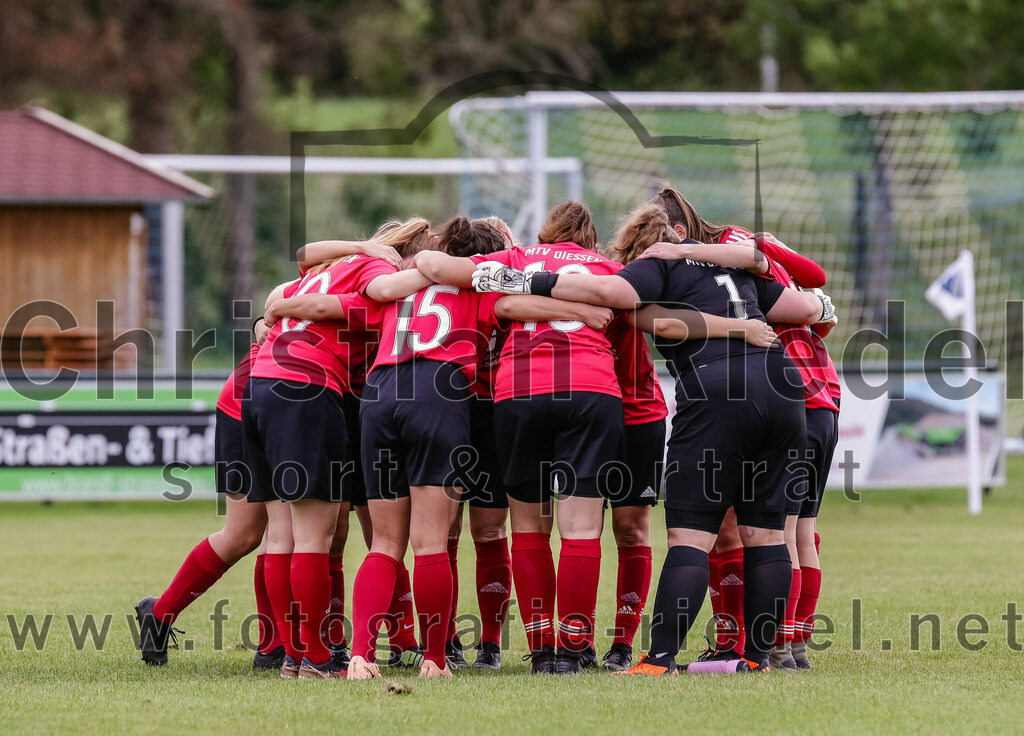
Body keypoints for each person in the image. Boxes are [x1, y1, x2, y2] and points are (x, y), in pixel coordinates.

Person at [472, 202, 834, 674]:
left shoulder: (655, 264)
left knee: (690, 535)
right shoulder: (727, 259)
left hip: (716, 388)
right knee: (766, 534)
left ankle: (658, 658)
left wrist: (528, 281)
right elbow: (804, 305)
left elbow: (622, 299)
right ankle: (757, 656)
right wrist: (798, 303)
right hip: (784, 391)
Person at [245, 218, 429, 680]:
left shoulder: (336, 263)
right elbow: (384, 290)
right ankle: (317, 657)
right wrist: (440, 270)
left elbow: (297, 266)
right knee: (315, 537)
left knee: (287, 535)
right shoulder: (373, 274)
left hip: (264, 383)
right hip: (308, 389)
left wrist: (275, 311)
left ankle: (293, 653)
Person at [134, 306, 277, 668]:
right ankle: (161, 612)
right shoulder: (368, 276)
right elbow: (267, 316)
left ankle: (274, 645)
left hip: (276, 400)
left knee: (279, 530)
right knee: (248, 533)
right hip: (252, 402)